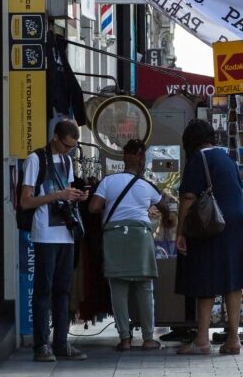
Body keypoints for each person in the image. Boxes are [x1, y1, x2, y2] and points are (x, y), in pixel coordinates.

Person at [174, 119, 243, 355]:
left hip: (212, 224)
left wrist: (181, 232)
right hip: (238, 220)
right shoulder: (227, 158)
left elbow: (188, 198)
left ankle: (202, 339)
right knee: (233, 279)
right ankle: (233, 339)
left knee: (205, 278)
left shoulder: (198, 158)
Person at [88, 140, 174, 351]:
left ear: (124, 157)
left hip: (115, 236)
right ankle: (147, 338)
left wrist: (111, 209)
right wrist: (168, 219)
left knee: (118, 289)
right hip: (140, 236)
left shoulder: (108, 182)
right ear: (140, 156)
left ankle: (125, 339)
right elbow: (165, 209)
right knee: (144, 289)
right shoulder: (147, 185)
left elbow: (93, 208)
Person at [19, 119, 89, 362]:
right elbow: (25, 201)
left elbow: (65, 194)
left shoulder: (68, 160)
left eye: (73, 147)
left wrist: (75, 196)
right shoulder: (35, 160)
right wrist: (57, 195)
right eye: (67, 145)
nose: (69, 150)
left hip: (65, 233)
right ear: (56, 138)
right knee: (43, 289)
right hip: (45, 233)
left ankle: (61, 342)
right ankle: (41, 345)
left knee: (63, 290)